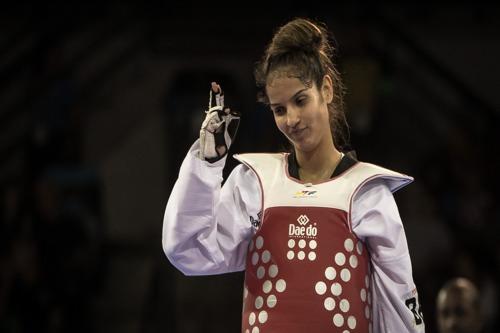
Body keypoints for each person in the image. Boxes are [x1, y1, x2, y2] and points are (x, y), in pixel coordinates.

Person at [163, 17, 425, 333]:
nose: (292, 119)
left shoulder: (366, 192)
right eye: (279, 109)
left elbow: (400, 307)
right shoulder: (255, 183)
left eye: (301, 100)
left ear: (326, 89)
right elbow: (188, 250)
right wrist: (206, 164)